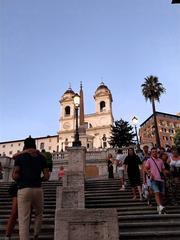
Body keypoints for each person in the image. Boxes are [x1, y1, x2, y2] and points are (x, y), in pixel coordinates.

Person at [12, 136, 50, 240]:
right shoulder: (42, 157)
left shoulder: (20, 157)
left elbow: (15, 175)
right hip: (38, 189)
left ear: (25, 145)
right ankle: (36, 234)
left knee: (24, 218)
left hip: (24, 189)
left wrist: (20, 178)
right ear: (35, 145)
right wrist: (39, 180)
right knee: (39, 213)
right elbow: (47, 176)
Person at [145, 147, 166, 215]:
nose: (154, 153)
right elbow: (145, 168)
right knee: (156, 192)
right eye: (153, 152)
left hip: (161, 179)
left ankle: (159, 208)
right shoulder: (149, 160)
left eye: (155, 151)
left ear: (157, 152)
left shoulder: (160, 160)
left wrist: (165, 175)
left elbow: (163, 169)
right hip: (154, 179)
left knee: (161, 194)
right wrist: (149, 174)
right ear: (151, 153)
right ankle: (160, 206)